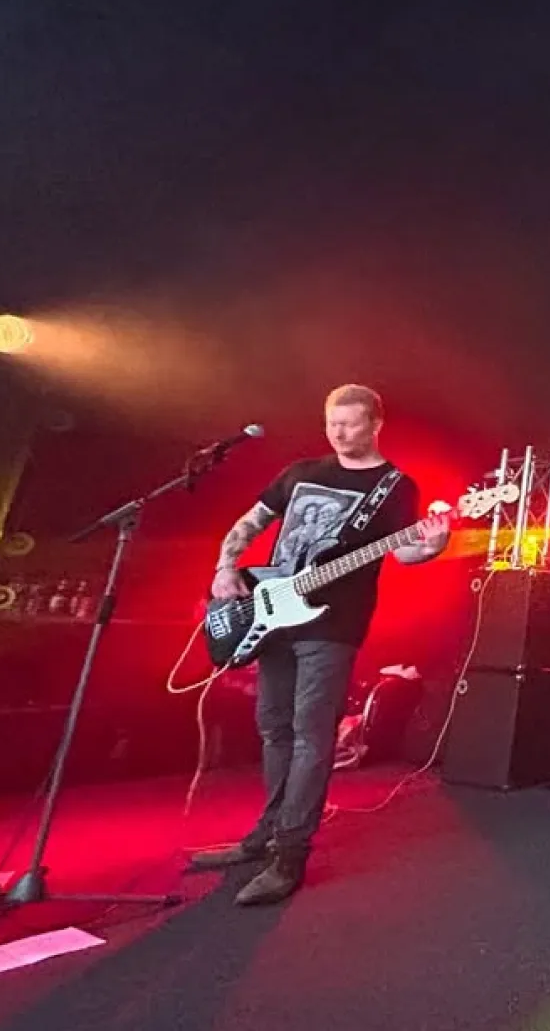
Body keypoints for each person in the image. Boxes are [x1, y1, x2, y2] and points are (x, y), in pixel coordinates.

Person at [188, 384, 450, 904]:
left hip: (332, 625)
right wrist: (224, 568)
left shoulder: (393, 486)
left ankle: (290, 856)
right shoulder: (300, 472)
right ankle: (265, 834)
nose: (338, 432)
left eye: (350, 423)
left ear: (376, 424)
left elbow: (405, 554)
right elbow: (252, 522)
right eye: (332, 422)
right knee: (274, 729)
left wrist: (433, 545)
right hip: (272, 612)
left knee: (312, 735)